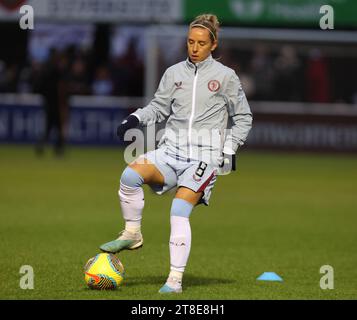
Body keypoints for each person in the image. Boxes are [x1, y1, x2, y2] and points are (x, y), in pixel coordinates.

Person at [99, 14, 253, 293]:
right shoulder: (173, 73)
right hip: (171, 151)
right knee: (129, 175)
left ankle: (174, 281)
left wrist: (229, 149)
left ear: (213, 45)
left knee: (179, 210)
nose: (194, 48)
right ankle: (132, 233)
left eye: (201, 43)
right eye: (190, 42)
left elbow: (243, 118)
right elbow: (158, 107)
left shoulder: (226, 77)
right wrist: (134, 119)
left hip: (205, 157)